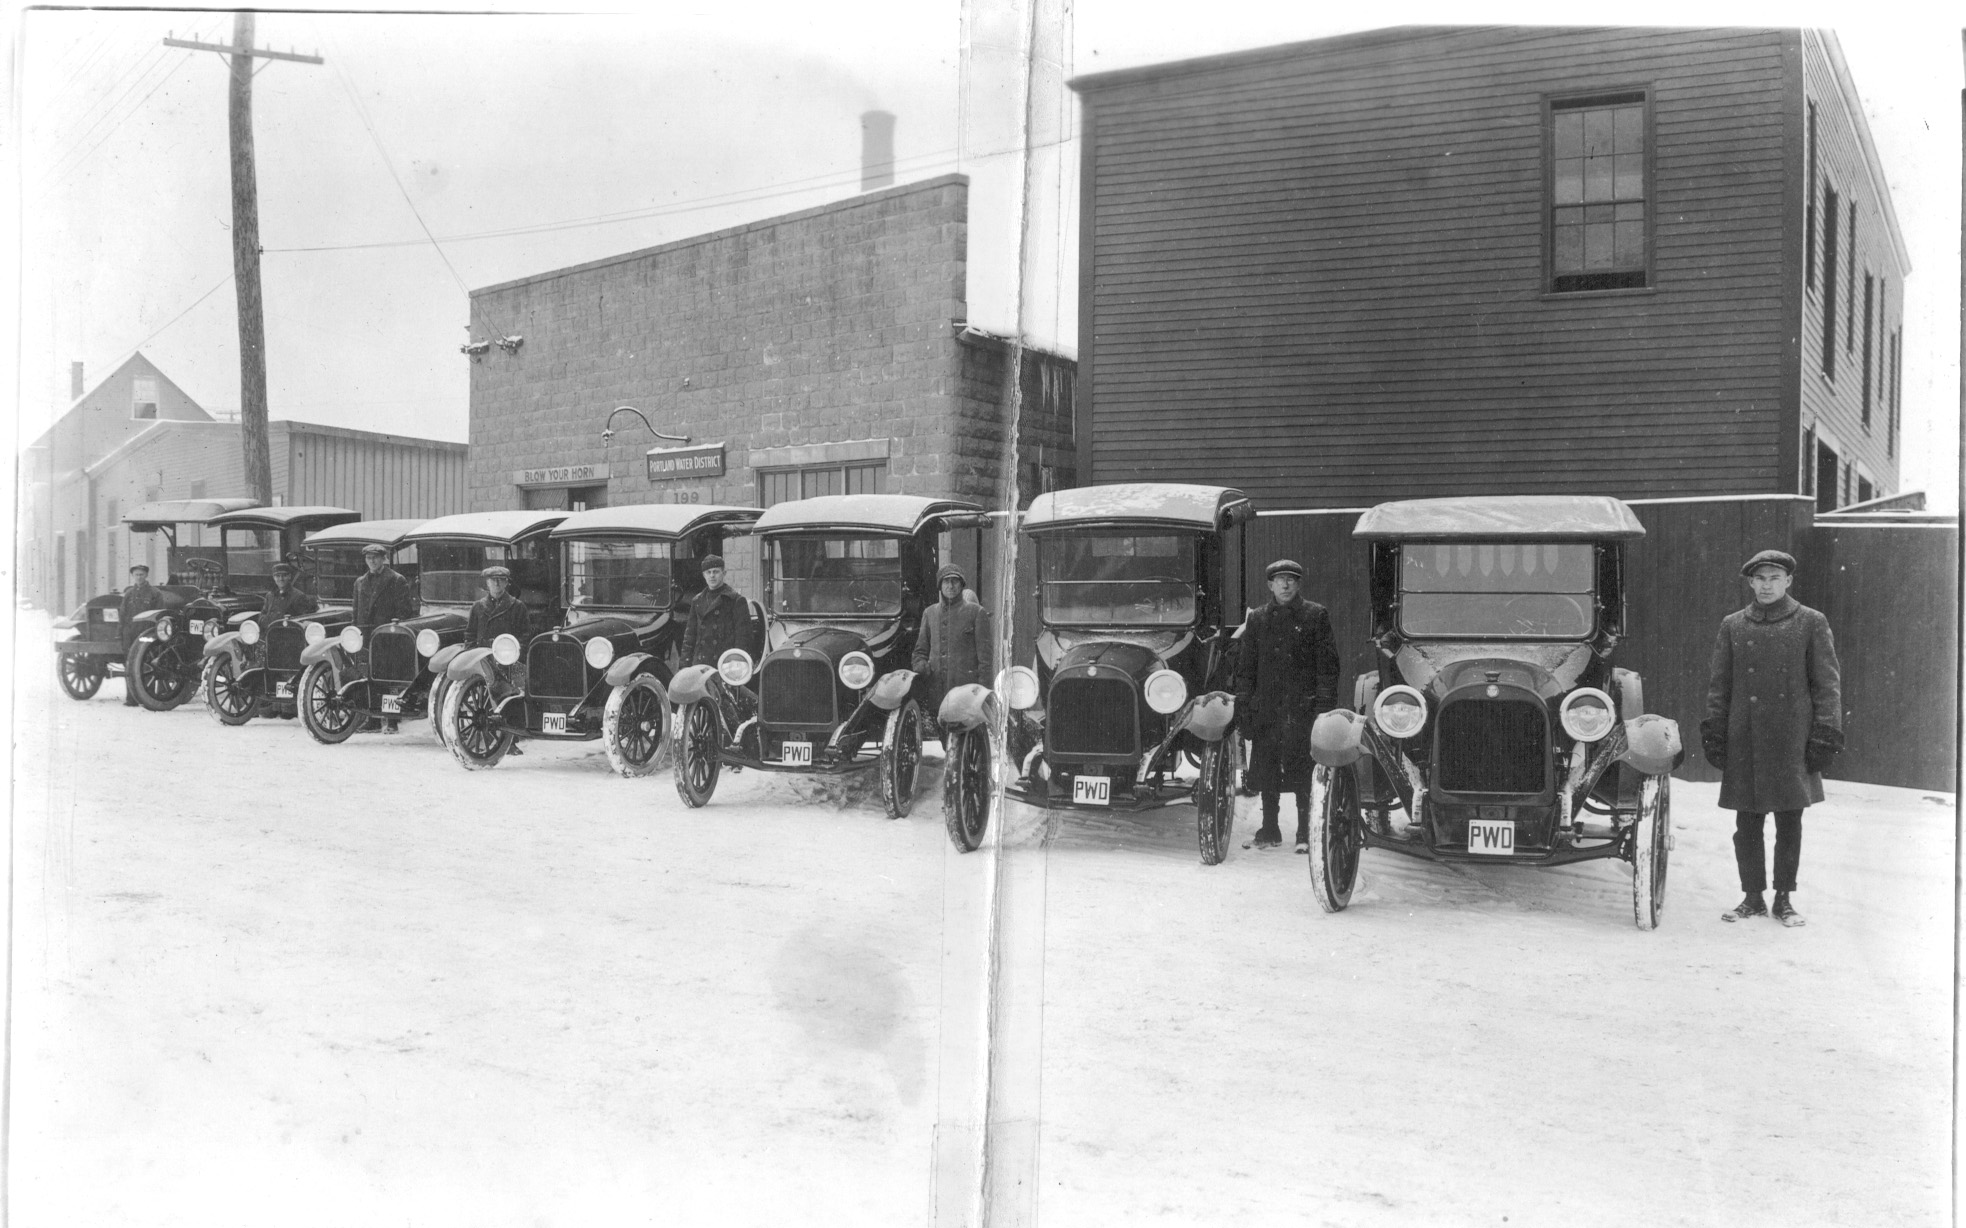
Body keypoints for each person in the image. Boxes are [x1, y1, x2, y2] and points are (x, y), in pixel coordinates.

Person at [1704, 549, 1843, 927]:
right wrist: (1716, 729)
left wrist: (1825, 733)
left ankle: (1784, 899)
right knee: (1746, 823)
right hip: (1744, 736)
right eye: (1760, 579)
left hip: (1791, 738)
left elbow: (1827, 684)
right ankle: (1752, 897)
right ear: (1750, 583)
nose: (1766, 586)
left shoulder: (1811, 622)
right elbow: (1720, 685)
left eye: (1774, 578)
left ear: (1788, 582)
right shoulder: (1733, 625)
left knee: (1788, 821)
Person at [1234, 559, 1339, 852]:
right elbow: (1245, 668)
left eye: (1291, 579)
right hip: (1267, 709)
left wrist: (1322, 709)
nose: (1285, 585)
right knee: (1267, 770)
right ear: (1270, 585)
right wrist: (1244, 705)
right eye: (1279, 580)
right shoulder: (1256, 619)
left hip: (1302, 709)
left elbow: (1328, 667)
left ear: (1299, 584)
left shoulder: (1315, 616)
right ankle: (1270, 829)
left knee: (1304, 769)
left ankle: (1305, 833)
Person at [912, 563, 991, 718]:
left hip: (967, 692)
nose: (950, 586)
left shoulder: (976, 613)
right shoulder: (929, 613)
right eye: (946, 581)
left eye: (955, 581)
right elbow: (920, 651)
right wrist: (921, 666)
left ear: (962, 585)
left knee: (966, 737)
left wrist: (983, 692)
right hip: (937, 692)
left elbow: (985, 659)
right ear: (940, 586)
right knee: (943, 735)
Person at [679, 555, 759, 669]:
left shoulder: (736, 600)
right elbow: (689, 637)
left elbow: (743, 639)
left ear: (724, 573)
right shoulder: (697, 601)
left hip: (725, 665)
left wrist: (736, 666)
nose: (712, 576)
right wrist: (684, 667)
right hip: (700, 665)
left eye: (716, 572)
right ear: (703, 575)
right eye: (708, 572)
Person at [119, 563, 165, 706]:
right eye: (136, 575)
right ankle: (131, 698)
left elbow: (159, 615)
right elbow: (122, 615)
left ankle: (146, 697)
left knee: (146, 665)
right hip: (130, 634)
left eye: (141, 574)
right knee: (129, 665)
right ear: (133, 576)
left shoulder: (155, 593)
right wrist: (120, 634)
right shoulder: (128, 594)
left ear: (146, 576)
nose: (139, 577)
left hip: (146, 634)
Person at [351, 543, 415, 631]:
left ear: (383, 558)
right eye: (368, 558)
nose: (372, 561)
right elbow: (355, 615)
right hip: (363, 635)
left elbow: (404, 614)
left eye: (375, 557)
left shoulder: (397, 580)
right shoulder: (359, 582)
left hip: (386, 635)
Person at [466, 565, 530, 646]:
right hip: (483, 655)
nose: (496, 583)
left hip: (507, 655)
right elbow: (470, 635)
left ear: (506, 583)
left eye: (501, 580)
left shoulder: (518, 606)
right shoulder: (477, 606)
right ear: (487, 583)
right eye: (493, 580)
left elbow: (525, 637)